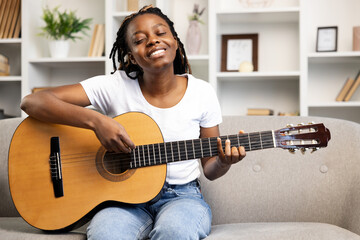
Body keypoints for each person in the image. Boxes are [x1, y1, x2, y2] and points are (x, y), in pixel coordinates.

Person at [21, 5, 246, 240]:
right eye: (140, 39)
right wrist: (96, 121)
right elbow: (32, 102)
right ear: (131, 56)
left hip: (181, 197)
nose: (152, 41)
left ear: (175, 41)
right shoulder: (114, 86)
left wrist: (223, 161)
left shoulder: (202, 92)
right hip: (121, 201)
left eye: (161, 33)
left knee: (175, 232)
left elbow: (210, 169)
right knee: (106, 235)